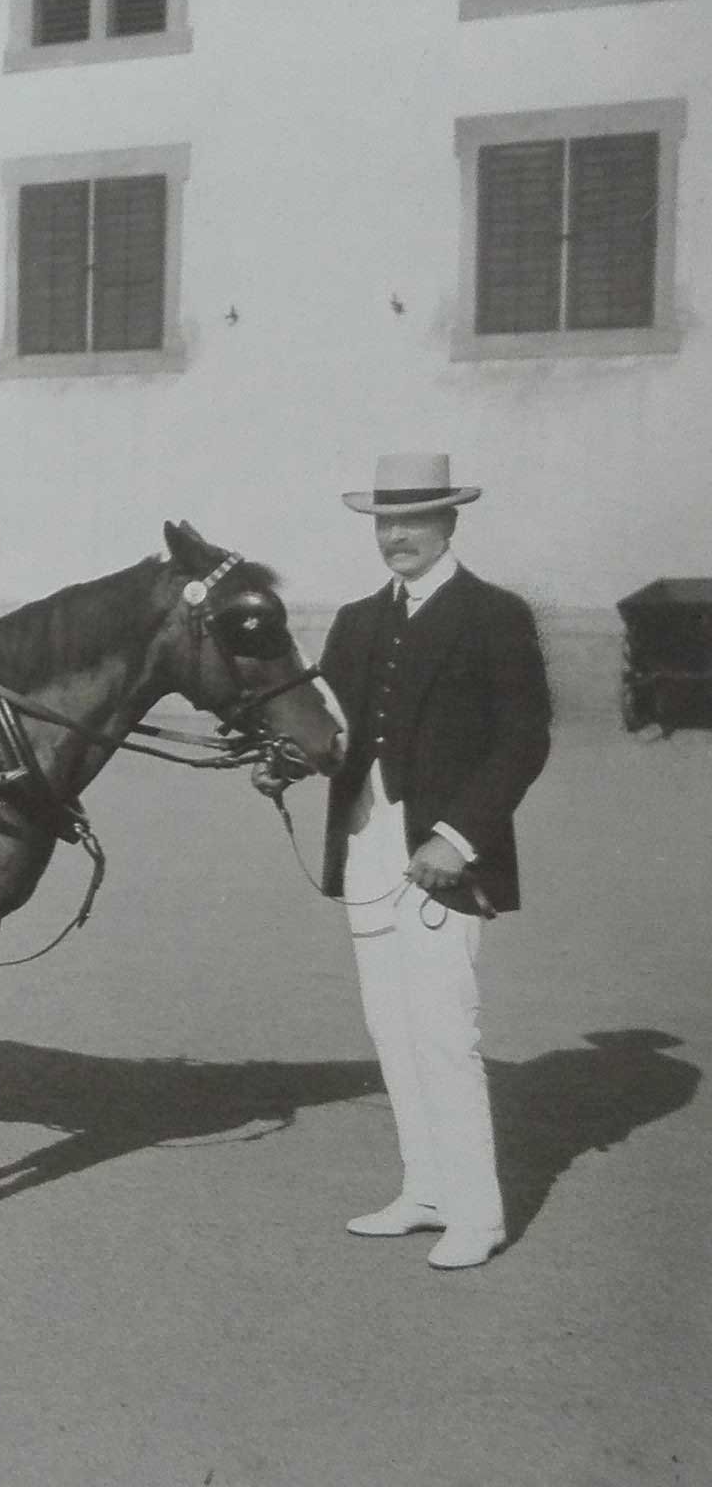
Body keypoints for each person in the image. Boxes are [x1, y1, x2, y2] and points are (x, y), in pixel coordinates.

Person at [299, 453, 551, 1271]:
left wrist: (458, 837)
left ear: (450, 524)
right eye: (385, 521)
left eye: (414, 520)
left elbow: (524, 740)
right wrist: (288, 760)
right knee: (392, 1027)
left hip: (444, 853)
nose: (396, 535)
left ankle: (478, 1214)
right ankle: (426, 1191)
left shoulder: (495, 616)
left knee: (444, 1031)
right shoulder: (355, 620)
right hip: (367, 844)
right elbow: (329, 731)